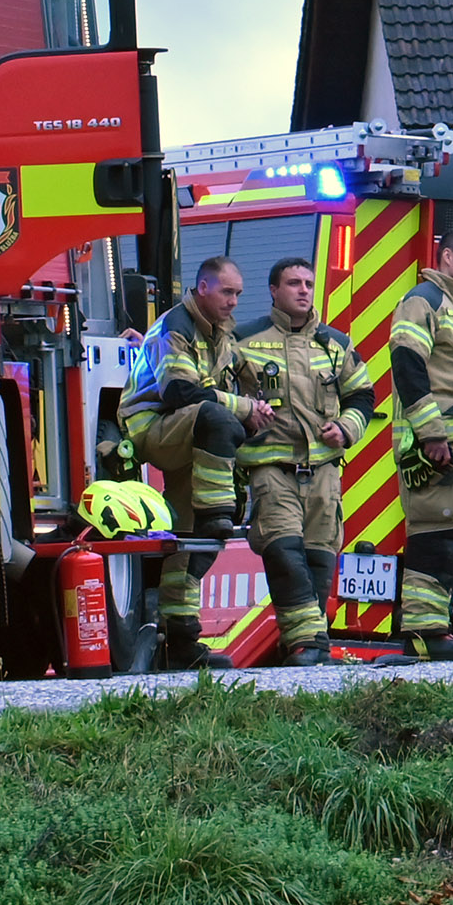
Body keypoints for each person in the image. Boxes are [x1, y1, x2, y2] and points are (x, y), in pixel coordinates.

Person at [119, 254, 281, 669]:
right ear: (202, 287)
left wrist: (260, 408)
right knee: (218, 417)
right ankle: (215, 510)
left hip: (188, 433)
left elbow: (247, 383)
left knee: (192, 546)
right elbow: (179, 392)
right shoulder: (175, 325)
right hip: (151, 427)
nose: (234, 301)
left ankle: (181, 639)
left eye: (239, 294)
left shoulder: (222, 333)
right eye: (227, 292)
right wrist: (243, 407)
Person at [237, 256, 377, 667]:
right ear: (273, 290)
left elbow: (362, 396)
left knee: (318, 559)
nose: (303, 290)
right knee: (283, 552)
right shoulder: (244, 340)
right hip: (271, 468)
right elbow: (218, 391)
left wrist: (346, 430)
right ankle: (308, 643)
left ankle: (307, 648)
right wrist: (246, 411)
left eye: (308, 283)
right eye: (293, 283)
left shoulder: (335, 344)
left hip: (324, 473)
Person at [385, 231, 453, 660]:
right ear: (446, 256)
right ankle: (424, 634)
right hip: (432, 443)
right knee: (436, 535)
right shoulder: (423, 300)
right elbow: (407, 361)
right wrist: (431, 432)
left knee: (446, 534)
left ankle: (431, 631)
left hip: (452, 442)